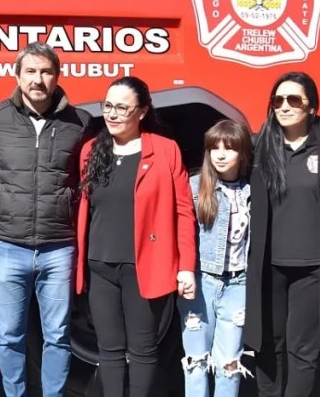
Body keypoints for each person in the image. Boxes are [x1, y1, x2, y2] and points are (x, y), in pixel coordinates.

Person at [0, 42, 92, 397]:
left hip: (59, 249)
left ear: (57, 76)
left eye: (46, 72)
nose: (38, 79)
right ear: (17, 75)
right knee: (9, 336)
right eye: (30, 71)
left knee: (57, 336)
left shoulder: (80, 122)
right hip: (8, 247)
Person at [75, 76, 197, 397]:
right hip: (99, 267)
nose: (112, 114)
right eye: (107, 106)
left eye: (122, 108)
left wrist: (186, 266)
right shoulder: (90, 150)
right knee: (109, 351)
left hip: (145, 267)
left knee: (143, 350)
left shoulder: (166, 150)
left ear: (142, 112)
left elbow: (184, 212)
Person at [244, 72, 320, 397]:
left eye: (293, 100)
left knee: (303, 350)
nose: (284, 106)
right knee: (267, 345)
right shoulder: (260, 148)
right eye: (278, 100)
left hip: (313, 268)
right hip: (268, 266)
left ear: (311, 107)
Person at [179, 119, 253, 397]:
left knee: (229, 364)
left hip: (238, 284)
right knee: (196, 362)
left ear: (242, 153)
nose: (220, 154)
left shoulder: (252, 190)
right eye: (214, 148)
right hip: (202, 283)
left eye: (229, 148)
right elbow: (182, 234)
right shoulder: (194, 186)